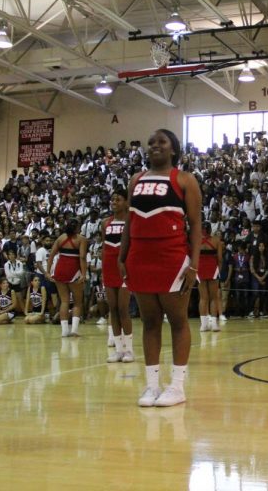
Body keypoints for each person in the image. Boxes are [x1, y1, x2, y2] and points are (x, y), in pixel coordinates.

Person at [119, 128, 202, 407]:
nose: (155, 146)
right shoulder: (135, 180)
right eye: (151, 142)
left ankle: (177, 386)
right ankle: (152, 386)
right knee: (150, 322)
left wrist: (194, 265)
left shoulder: (184, 180)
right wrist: (123, 255)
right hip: (140, 257)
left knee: (178, 321)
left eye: (162, 142)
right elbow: (130, 221)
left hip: (172, 257)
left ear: (174, 149)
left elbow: (196, 225)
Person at [102, 190, 134, 363]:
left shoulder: (131, 221)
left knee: (123, 308)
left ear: (126, 202)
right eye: (112, 199)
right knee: (112, 308)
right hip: (108, 267)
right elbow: (104, 248)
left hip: (125, 267)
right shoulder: (105, 223)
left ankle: (129, 350)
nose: (114, 202)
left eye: (118, 199)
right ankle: (118, 350)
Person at [47, 218, 88, 337]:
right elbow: (82, 258)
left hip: (60, 270)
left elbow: (51, 255)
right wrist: (84, 274)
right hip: (73, 270)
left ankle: (64, 331)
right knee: (77, 302)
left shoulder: (60, 238)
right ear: (76, 228)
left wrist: (48, 272)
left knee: (64, 301)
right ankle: (74, 329)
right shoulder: (81, 239)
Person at [197, 222, 224, 332]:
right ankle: (214, 324)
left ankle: (203, 325)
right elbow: (220, 258)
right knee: (214, 297)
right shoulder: (216, 240)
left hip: (200, 269)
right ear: (210, 230)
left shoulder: (196, 240)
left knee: (203, 298)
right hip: (213, 268)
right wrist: (219, 270)